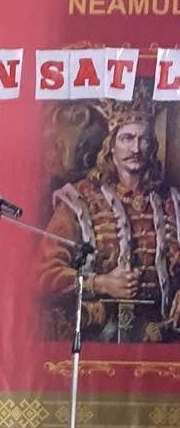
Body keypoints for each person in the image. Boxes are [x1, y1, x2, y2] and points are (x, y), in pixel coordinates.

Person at [40, 94, 180, 343]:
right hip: (98, 337)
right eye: (127, 138)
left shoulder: (172, 202)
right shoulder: (79, 200)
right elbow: (43, 274)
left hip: (162, 336)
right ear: (111, 144)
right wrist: (101, 283)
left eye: (144, 140)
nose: (136, 149)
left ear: (153, 146)